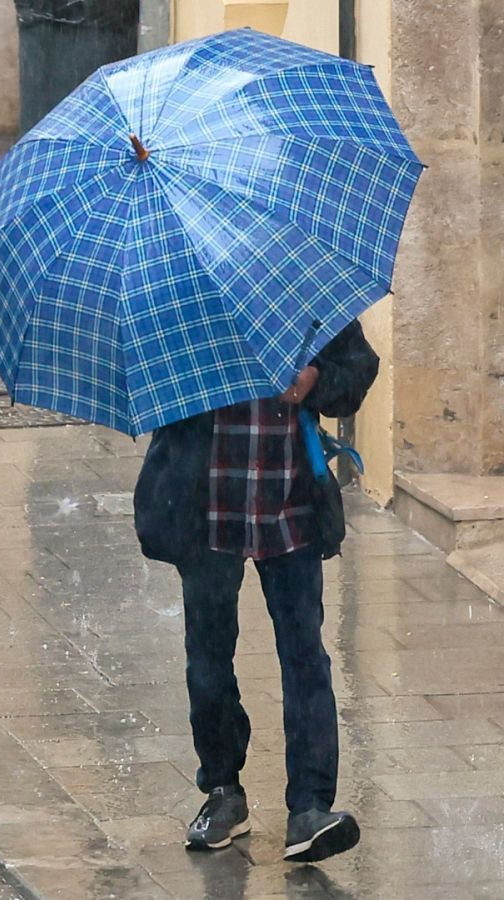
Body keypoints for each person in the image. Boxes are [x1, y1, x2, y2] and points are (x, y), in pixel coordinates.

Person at [133, 320, 380, 863]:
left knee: (305, 655)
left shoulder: (302, 291)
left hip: (291, 503)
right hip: (205, 507)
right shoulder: (180, 298)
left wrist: (315, 380)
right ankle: (223, 791)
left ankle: (310, 807)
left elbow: (359, 367)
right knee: (208, 659)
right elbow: (149, 387)